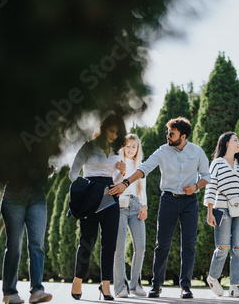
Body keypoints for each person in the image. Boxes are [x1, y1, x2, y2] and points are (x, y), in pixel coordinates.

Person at [109, 117, 210, 299]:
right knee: (162, 244)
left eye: (172, 134)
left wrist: (195, 186)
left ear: (183, 135)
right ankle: (156, 285)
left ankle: (185, 286)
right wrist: (125, 182)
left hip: (189, 202)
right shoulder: (163, 151)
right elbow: (144, 168)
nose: (168, 136)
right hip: (168, 200)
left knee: (188, 245)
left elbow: (206, 176)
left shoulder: (197, 152)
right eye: (167, 133)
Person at [69, 113, 127, 301]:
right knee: (87, 240)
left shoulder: (118, 150)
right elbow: (73, 173)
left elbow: (115, 180)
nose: (114, 136)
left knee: (109, 243)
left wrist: (122, 173)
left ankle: (106, 285)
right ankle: (78, 280)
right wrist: (87, 191)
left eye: (117, 133)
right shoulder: (88, 146)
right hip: (91, 195)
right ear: (103, 129)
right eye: (111, 131)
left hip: (111, 197)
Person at [204, 132, 239, 298]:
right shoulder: (217, 163)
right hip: (221, 209)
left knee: (238, 248)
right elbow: (210, 188)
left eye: (238, 140)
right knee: (223, 246)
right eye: (235, 140)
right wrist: (209, 212)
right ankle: (213, 277)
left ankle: (234, 286)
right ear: (226, 144)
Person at [1, 166, 54, 304]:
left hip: (37, 196)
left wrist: (46, 171)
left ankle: (37, 290)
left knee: (37, 245)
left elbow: (43, 179)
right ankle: (9, 292)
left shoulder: (43, 147)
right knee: (14, 247)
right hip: (13, 196)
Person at [113, 134, 148, 298]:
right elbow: (114, 183)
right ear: (122, 147)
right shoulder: (117, 162)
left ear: (138, 149)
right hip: (119, 205)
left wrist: (144, 205)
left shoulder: (140, 165)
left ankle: (134, 284)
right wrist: (122, 173)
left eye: (134, 146)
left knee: (140, 247)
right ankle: (121, 287)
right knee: (120, 249)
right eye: (127, 145)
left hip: (136, 205)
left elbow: (143, 189)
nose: (130, 149)